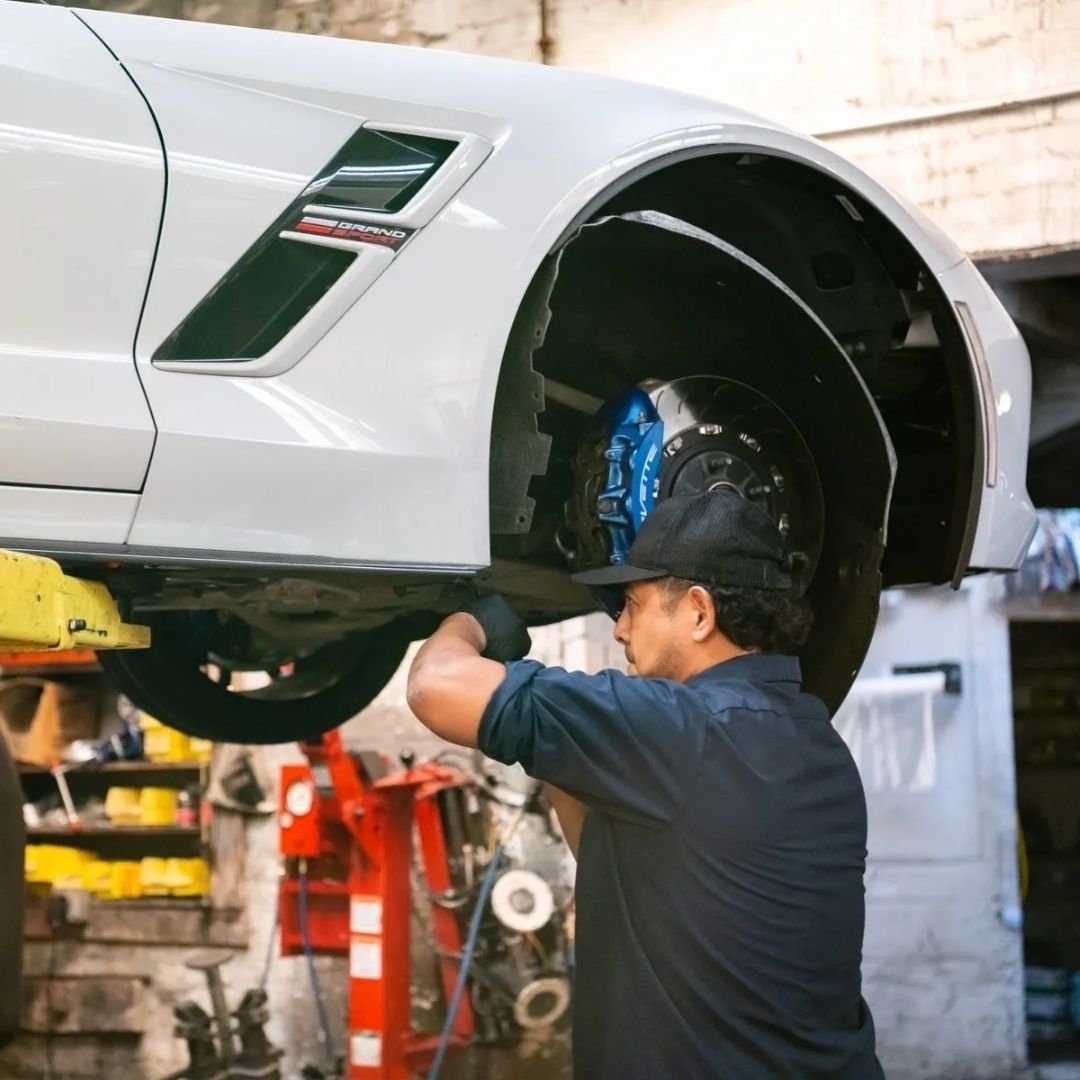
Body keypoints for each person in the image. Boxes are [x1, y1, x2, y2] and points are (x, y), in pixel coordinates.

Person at [406, 490, 882, 1079]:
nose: (622, 630)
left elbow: (435, 684)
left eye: (633, 604)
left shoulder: (679, 730)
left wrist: (470, 623)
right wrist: (554, 746)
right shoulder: (816, 741)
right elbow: (621, 868)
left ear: (700, 613)